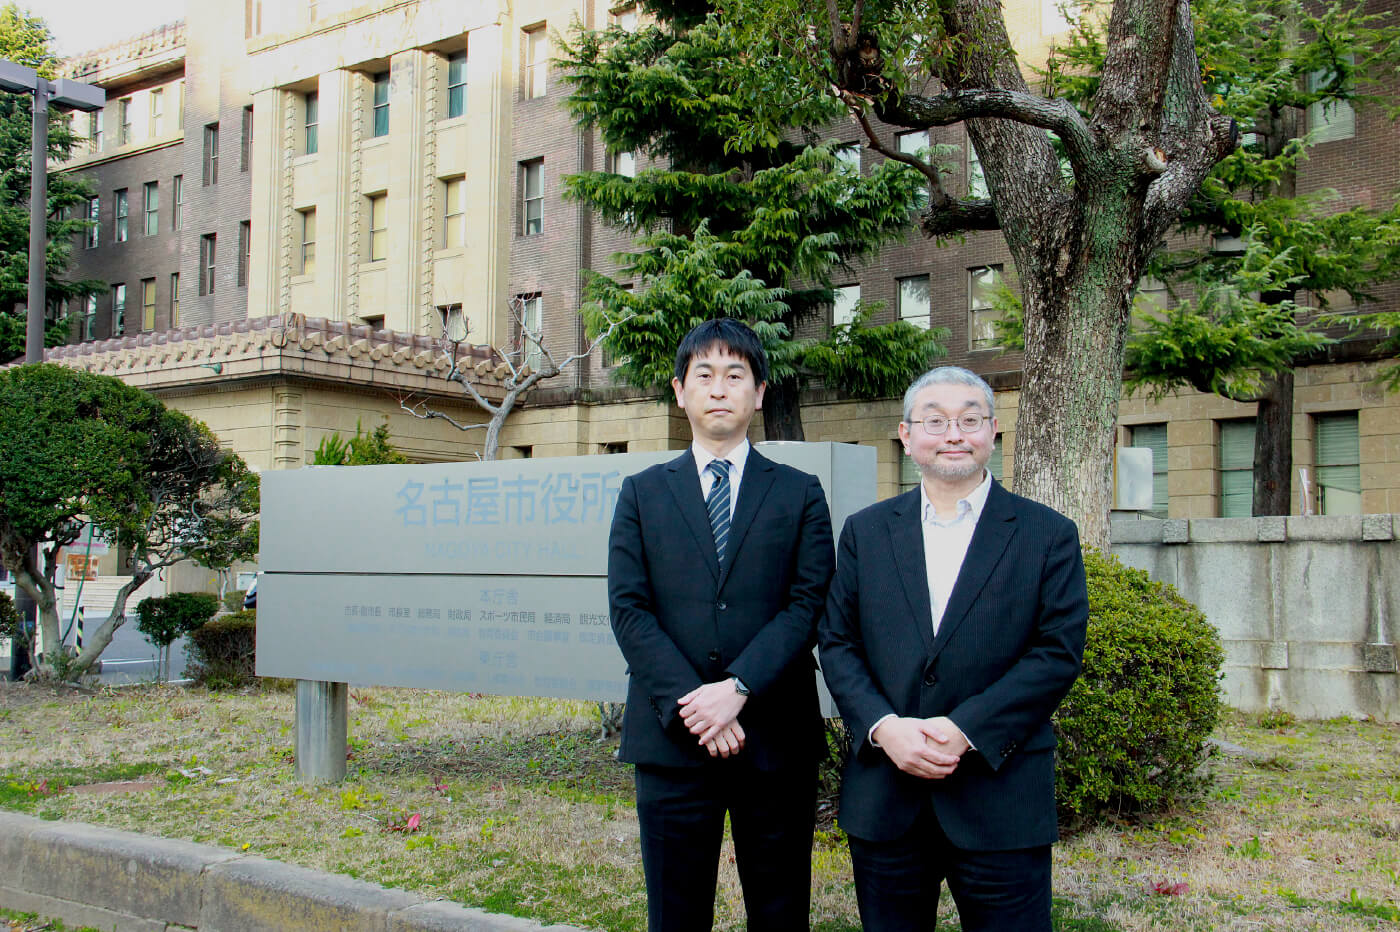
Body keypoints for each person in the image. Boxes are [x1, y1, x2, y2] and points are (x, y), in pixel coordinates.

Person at [819, 365, 1088, 932]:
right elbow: (838, 642)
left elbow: (1056, 652)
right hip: (887, 794)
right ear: (906, 434)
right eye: (935, 421)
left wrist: (966, 729)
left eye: (970, 419)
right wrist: (883, 727)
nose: (953, 434)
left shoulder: (1047, 534)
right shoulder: (866, 532)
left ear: (993, 432)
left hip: (1000, 794)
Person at [607, 318, 835, 932]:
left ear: (759, 393)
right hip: (673, 741)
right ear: (679, 391)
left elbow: (807, 604)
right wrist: (695, 706)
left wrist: (736, 690)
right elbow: (629, 610)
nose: (718, 388)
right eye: (703, 374)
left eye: (735, 375)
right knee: (676, 916)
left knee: (782, 909)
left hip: (774, 736)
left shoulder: (800, 493)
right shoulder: (641, 494)